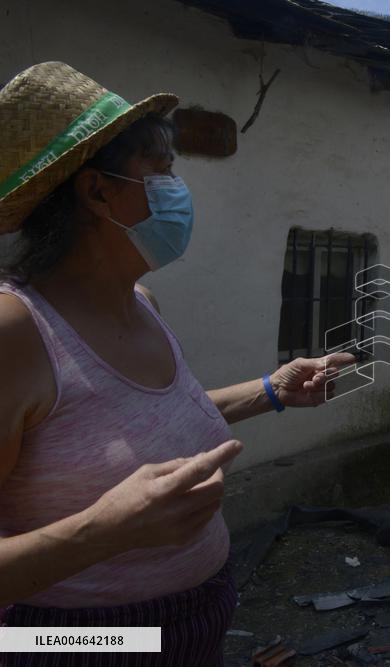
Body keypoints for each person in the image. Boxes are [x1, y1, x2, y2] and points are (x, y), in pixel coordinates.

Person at [0, 62, 354, 665]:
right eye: (160, 171)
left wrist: (272, 390)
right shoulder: (15, 331)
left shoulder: (142, 304)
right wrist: (103, 532)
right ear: (96, 190)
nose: (178, 190)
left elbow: (133, 426)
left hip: (195, 622)